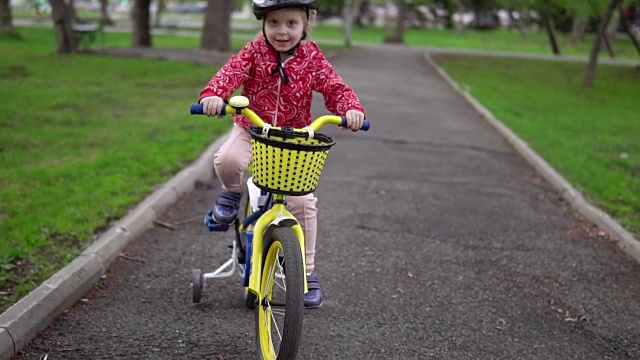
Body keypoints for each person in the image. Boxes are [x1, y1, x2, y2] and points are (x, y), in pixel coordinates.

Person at [198, 0, 365, 309]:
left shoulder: (312, 58)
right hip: (253, 129)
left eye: (291, 23)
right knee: (228, 159)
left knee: (302, 201)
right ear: (263, 24)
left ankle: (306, 273)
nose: (282, 31)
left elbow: (334, 87)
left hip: (292, 140)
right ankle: (231, 197)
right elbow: (229, 73)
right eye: (274, 22)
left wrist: (350, 109)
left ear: (306, 24)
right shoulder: (253, 52)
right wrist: (213, 96)